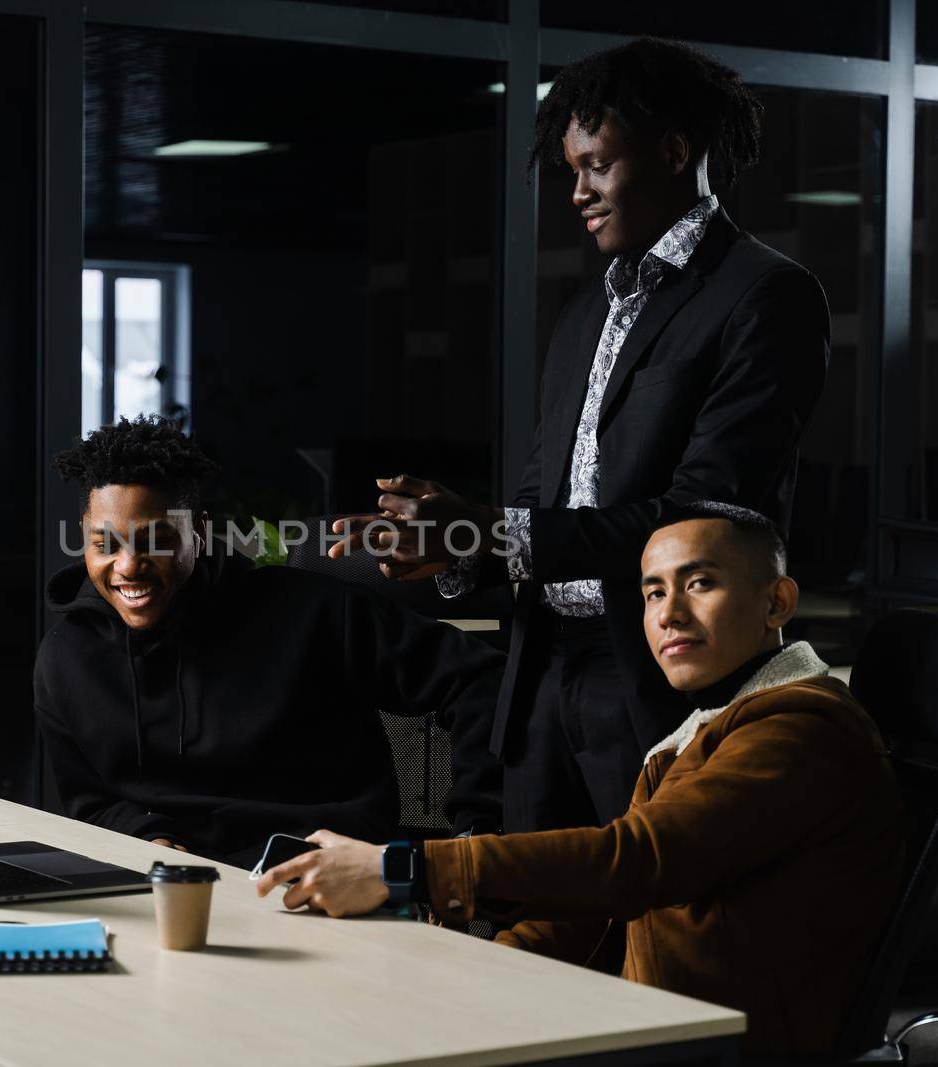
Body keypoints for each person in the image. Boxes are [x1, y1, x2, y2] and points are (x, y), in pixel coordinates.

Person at [329, 38, 832, 837]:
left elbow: (704, 514)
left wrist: (486, 528)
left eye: (595, 165)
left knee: (651, 941)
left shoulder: (767, 296)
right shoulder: (584, 313)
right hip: (541, 680)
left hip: (658, 682)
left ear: (672, 152)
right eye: (571, 170)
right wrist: (453, 543)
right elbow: (543, 500)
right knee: (533, 930)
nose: (578, 193)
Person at [257, 504, 904, 1057]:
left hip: (715, 1045)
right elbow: (597, 905)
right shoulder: (710, 727)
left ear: (776, 601)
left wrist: (401, 869)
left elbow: (636, 860)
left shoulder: (799, 726)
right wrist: (472, 970)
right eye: (652, 592)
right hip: (646, 1022)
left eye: (699, 582)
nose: (669, 613)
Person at [34, 416, 505, 869]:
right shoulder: (67, 657)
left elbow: (480, 679)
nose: (128, 566)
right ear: (84, 538)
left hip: (324, 877)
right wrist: (150, 839)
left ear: (197, 533)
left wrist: (473, 839)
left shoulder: (314, 613)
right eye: (106, 544)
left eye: (155, 540)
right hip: (173, 882)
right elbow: (92, 803)